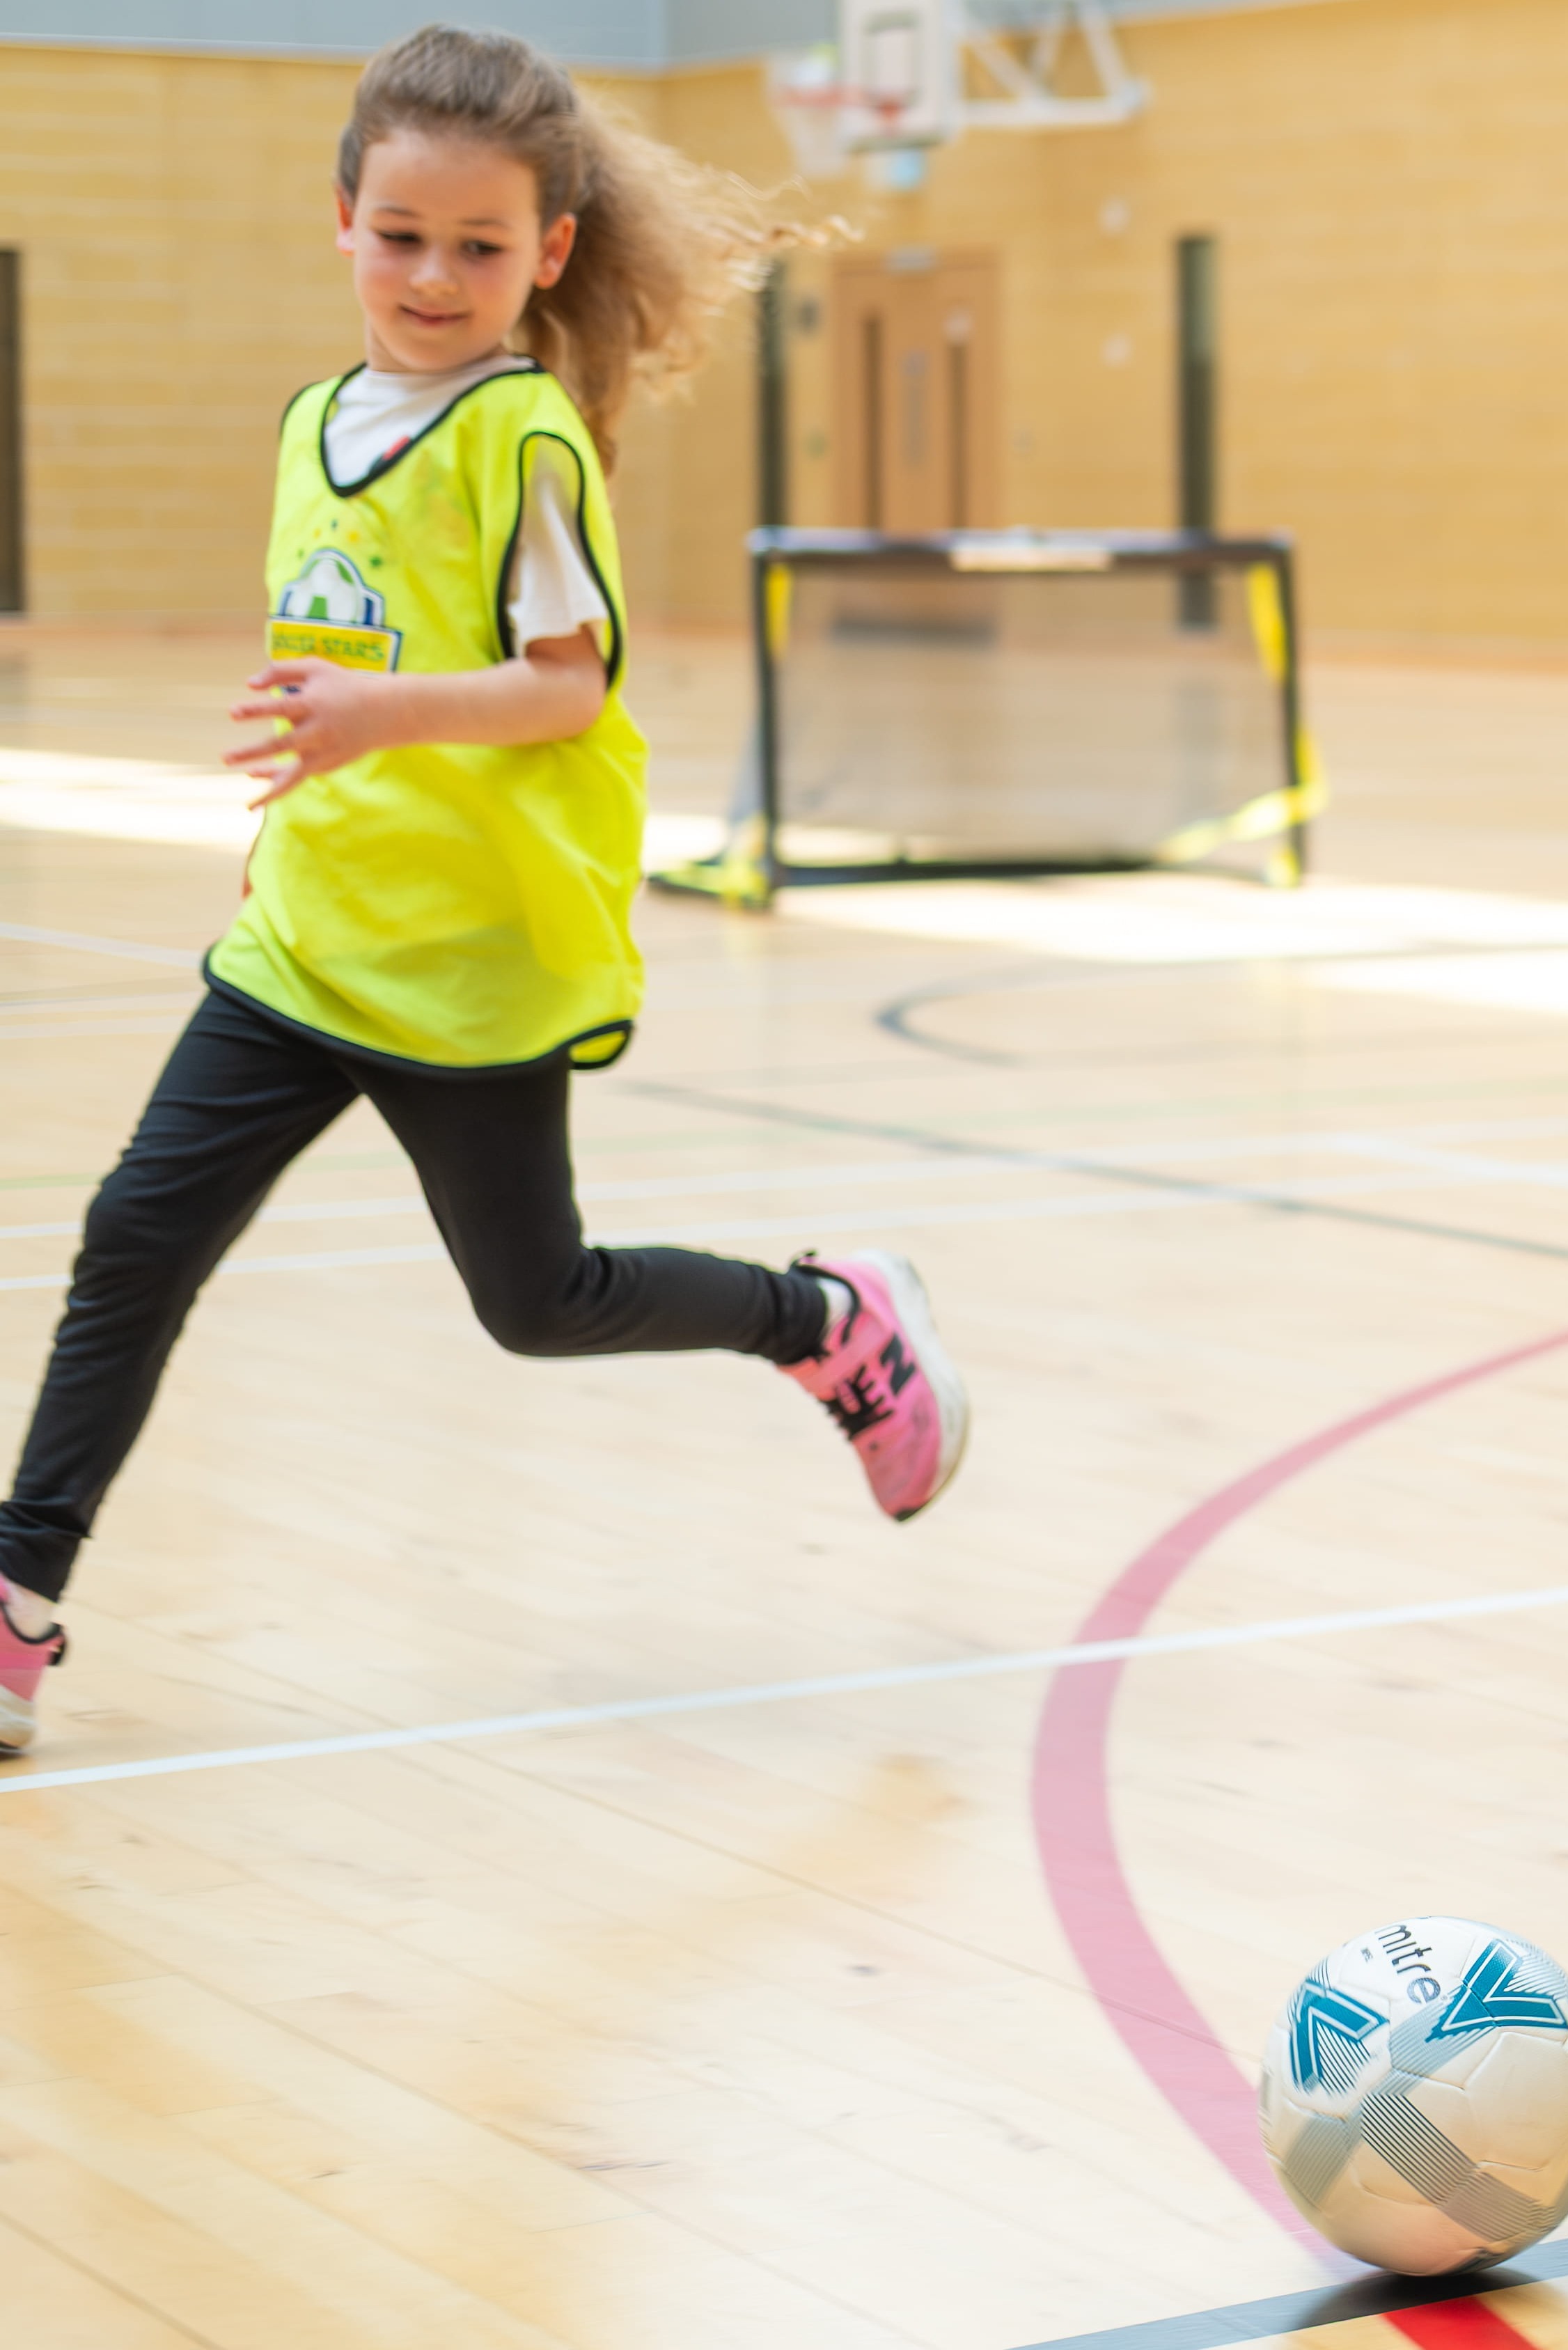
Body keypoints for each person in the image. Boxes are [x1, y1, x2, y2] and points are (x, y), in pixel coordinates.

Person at [0, 26, 966, 1758]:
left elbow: (565, 688)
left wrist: (374, 718)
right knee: (136, 1235)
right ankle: (15, 1597)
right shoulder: (313, 421)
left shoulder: (523, 437)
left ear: (549, 251)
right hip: (303, 945)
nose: (433, 276)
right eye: (400, 235)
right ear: (342, 221)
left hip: (472, 970)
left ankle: (829, 1322)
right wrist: (317, 778)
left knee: (538, 1302)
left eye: (478, 244)